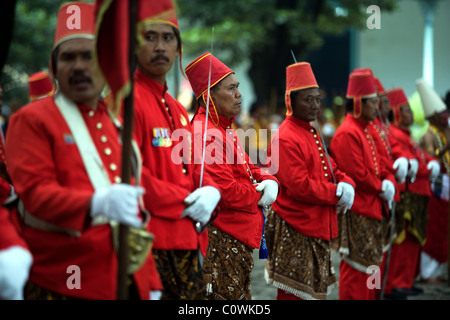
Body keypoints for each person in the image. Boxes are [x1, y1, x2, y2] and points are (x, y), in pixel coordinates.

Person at [5, 1, 158, 300]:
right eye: (68, 58)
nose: (78, 66)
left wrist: (150, 282)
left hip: (126, 276)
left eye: (89, 56)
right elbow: (35, 194)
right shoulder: (32, 119)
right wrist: (94, 203)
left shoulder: (114, 122)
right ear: (55, 67)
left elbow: (134, 212)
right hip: (64, 280)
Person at [132, 2, 221, 300]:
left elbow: (195, 165)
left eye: (168, 38)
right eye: (150, 37)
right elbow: (129, 176)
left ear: (178, 47)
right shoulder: (126, 103)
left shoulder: (176, 108)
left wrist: (210, 191)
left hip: (188, 240)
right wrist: (183, 200)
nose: (160, 47)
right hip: (151, 243)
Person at [185, 52, 279, 300]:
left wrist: (269, 179)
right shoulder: (207, 133)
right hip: (224, 234)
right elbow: (225, 191)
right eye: (231, 88)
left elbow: (248, 167)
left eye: (238, 87)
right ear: (209, 96)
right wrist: (258, 195)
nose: (239, 94)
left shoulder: (223, 128)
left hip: (237, 233)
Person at [263, 62, 355, 300]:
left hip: (316, 223)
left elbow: (331, 168)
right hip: (296, 224)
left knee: (313, 291)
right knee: (295, 293)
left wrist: (346, 183)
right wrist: (337, 192)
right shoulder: (286, 136)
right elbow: (299, 186)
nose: (315, 105)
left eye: (317, 99)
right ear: (291, 102)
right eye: (308, 100)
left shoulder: (310, 130)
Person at [330, 69, 397, 300]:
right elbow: (357, 174)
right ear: (358, 103)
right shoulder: (348, 133)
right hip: (359, 210)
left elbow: (386, 162)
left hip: (375, 208)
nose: (377, 109)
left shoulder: (368, 129)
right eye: (373, 103)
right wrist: (381, 187)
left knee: (373, 264)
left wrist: (388, 179)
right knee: (357, 267)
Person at [382, 87, 439, 299]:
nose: (411, 114)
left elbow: (420, 157)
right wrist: (428, 167)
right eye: (405, 110)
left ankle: (405, 281)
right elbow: (411, 162)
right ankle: (397, 283)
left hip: (418, 193)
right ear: (396, 113)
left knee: (413, 240)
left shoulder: (407, 134)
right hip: (408, 193)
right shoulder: (394, 134)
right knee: (402, 240)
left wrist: (432, 162)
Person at [417, 78, 449, 285]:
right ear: (435, 116)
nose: (446, 116)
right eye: (443, 114)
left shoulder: (443, 132)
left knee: (443, 227)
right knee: (434, 228)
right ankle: (428, 274)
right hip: (434, 188)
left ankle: (436, 271)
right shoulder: (429, 135)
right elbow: (431, 161)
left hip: (444, 188)